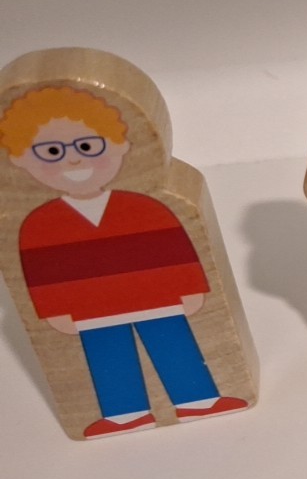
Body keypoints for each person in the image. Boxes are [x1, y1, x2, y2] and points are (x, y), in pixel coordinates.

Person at [1, 86, 247, 438]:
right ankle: (123, 415)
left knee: (174, 347)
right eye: (52, 151)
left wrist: (192, 288)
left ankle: (199, 400)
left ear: (119, 145)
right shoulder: (38, 224)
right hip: (91, 310)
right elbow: (39, 272)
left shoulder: (148, 207)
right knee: (109, 357)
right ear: (21, 160)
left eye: (88, 146)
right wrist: (53, 310)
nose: (73, 161)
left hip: (158, 300)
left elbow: (175, 249)